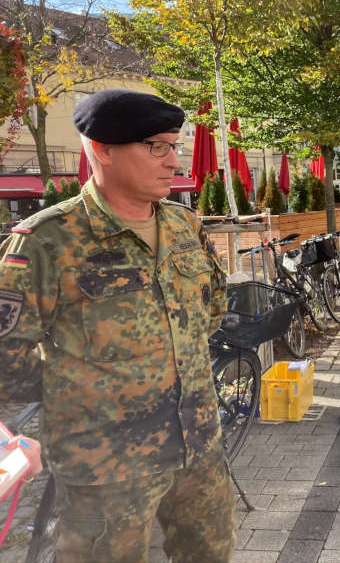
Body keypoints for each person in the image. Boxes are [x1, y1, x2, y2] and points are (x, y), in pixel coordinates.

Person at [0, 89, 235, 562]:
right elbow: (7, 360)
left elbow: (210, 312)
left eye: (176, 145)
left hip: (199, 450)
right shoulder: (47, 242)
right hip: (106, 469)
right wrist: (83, 395)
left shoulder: (185, 226)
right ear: (102, 150)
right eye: (158, 147)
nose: (174, 159)